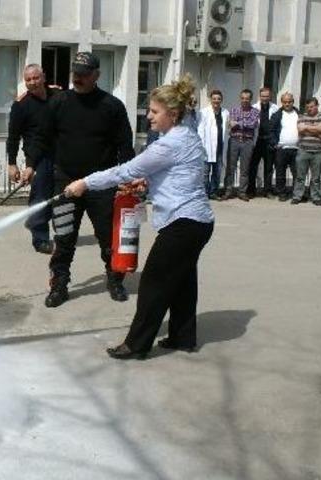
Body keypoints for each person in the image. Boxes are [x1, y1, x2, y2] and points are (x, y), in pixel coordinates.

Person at [62, 74, 214, 359]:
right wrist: (147, 182)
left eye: (155, 111)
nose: (149, 116)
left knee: (154, 283)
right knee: (182, 281)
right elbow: (177, 173)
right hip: (199, 222)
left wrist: (85, 183)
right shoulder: (187, 134)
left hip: (183, 223)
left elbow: (125, 171)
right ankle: (183, 337)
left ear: (173, 114)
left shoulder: (168, 144)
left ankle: (136, 344)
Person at [22, 51, 135, 308]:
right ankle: (59, 285)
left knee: (107, 237)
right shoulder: (59, 103)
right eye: (75, 73)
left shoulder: (112, 106)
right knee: (64, 238)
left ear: (97, 75)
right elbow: (41, 138)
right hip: (65, 183)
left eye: (84, 74)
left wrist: (127, 178)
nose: (78, 78)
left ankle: (115, 279)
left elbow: (125, 146)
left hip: (102, 185)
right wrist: (30, 165)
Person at [7, 63, 58, 254]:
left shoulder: (58, 96)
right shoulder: (21, 106)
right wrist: (12, 164)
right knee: (41, 196)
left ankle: (56, 230)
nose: (32, 82)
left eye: (36, 78)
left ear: (43, 77)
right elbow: (13, 137)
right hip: (38, 157)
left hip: (61, 154)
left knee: (62, 196)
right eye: (28, 79)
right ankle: (40, 239)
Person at [223, 89, 260, 201]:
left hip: (247, 142)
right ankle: (228, 191)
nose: (244, 100)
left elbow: (252, 124)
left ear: (251, 99)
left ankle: (242, 192)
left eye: (247, 98)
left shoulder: (255, 111)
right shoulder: (234, 110)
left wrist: (238, 123)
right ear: (240, 98)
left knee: (245, 169)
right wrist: (241, 124)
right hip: (234, 140)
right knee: (230, 167)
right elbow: (230, 124)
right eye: (243, 98)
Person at [292, 97, 321, 205]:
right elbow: (300, 129)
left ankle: (316, 197)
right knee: (300, 176)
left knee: (316, 177)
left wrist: (307, 128)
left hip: (318, 151)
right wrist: (317, 131)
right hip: (303, 150)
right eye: (307, 107)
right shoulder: (301, 117)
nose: (309, 109)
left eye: (312, 106)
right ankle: (297, 196)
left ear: (317, 106)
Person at [197, 89, 229, 200]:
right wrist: (201, 145)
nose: (216, 101)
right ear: (210, 100)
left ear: (221, 100)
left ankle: (213, 192)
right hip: (207, 147)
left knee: (217, 172)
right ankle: (204, 193)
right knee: (205, 172)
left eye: (218, 99)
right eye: (214, 98)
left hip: (220, 147)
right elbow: (201, 130)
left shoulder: (225, 112)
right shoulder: (204, 112)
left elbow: (227, 128)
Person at [268, 92, 299, 201]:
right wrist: (275, 143)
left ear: (293, 102)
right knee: (280, 172)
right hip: (281, 149)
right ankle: (281, 193)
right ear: (282, 102)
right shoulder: (277, 115)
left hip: (296, 149)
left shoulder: (299, 114)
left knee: (297, 173)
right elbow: (271, 130)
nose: (287, 104)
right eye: (285, 102)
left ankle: (296, 193)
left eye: (289, 102)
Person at [250, 87, 280, 197]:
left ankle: (267, 190)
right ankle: (251, 190)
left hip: (269, 141)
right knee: (253, 166)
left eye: (267, 96)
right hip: (257, 140)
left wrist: (276, 141)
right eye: (263, 96)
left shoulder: (275, 108)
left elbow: (278, 126)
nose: (265, 98)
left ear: (270, 96)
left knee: (268, 167)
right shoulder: (254, 108)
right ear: (260, 96)